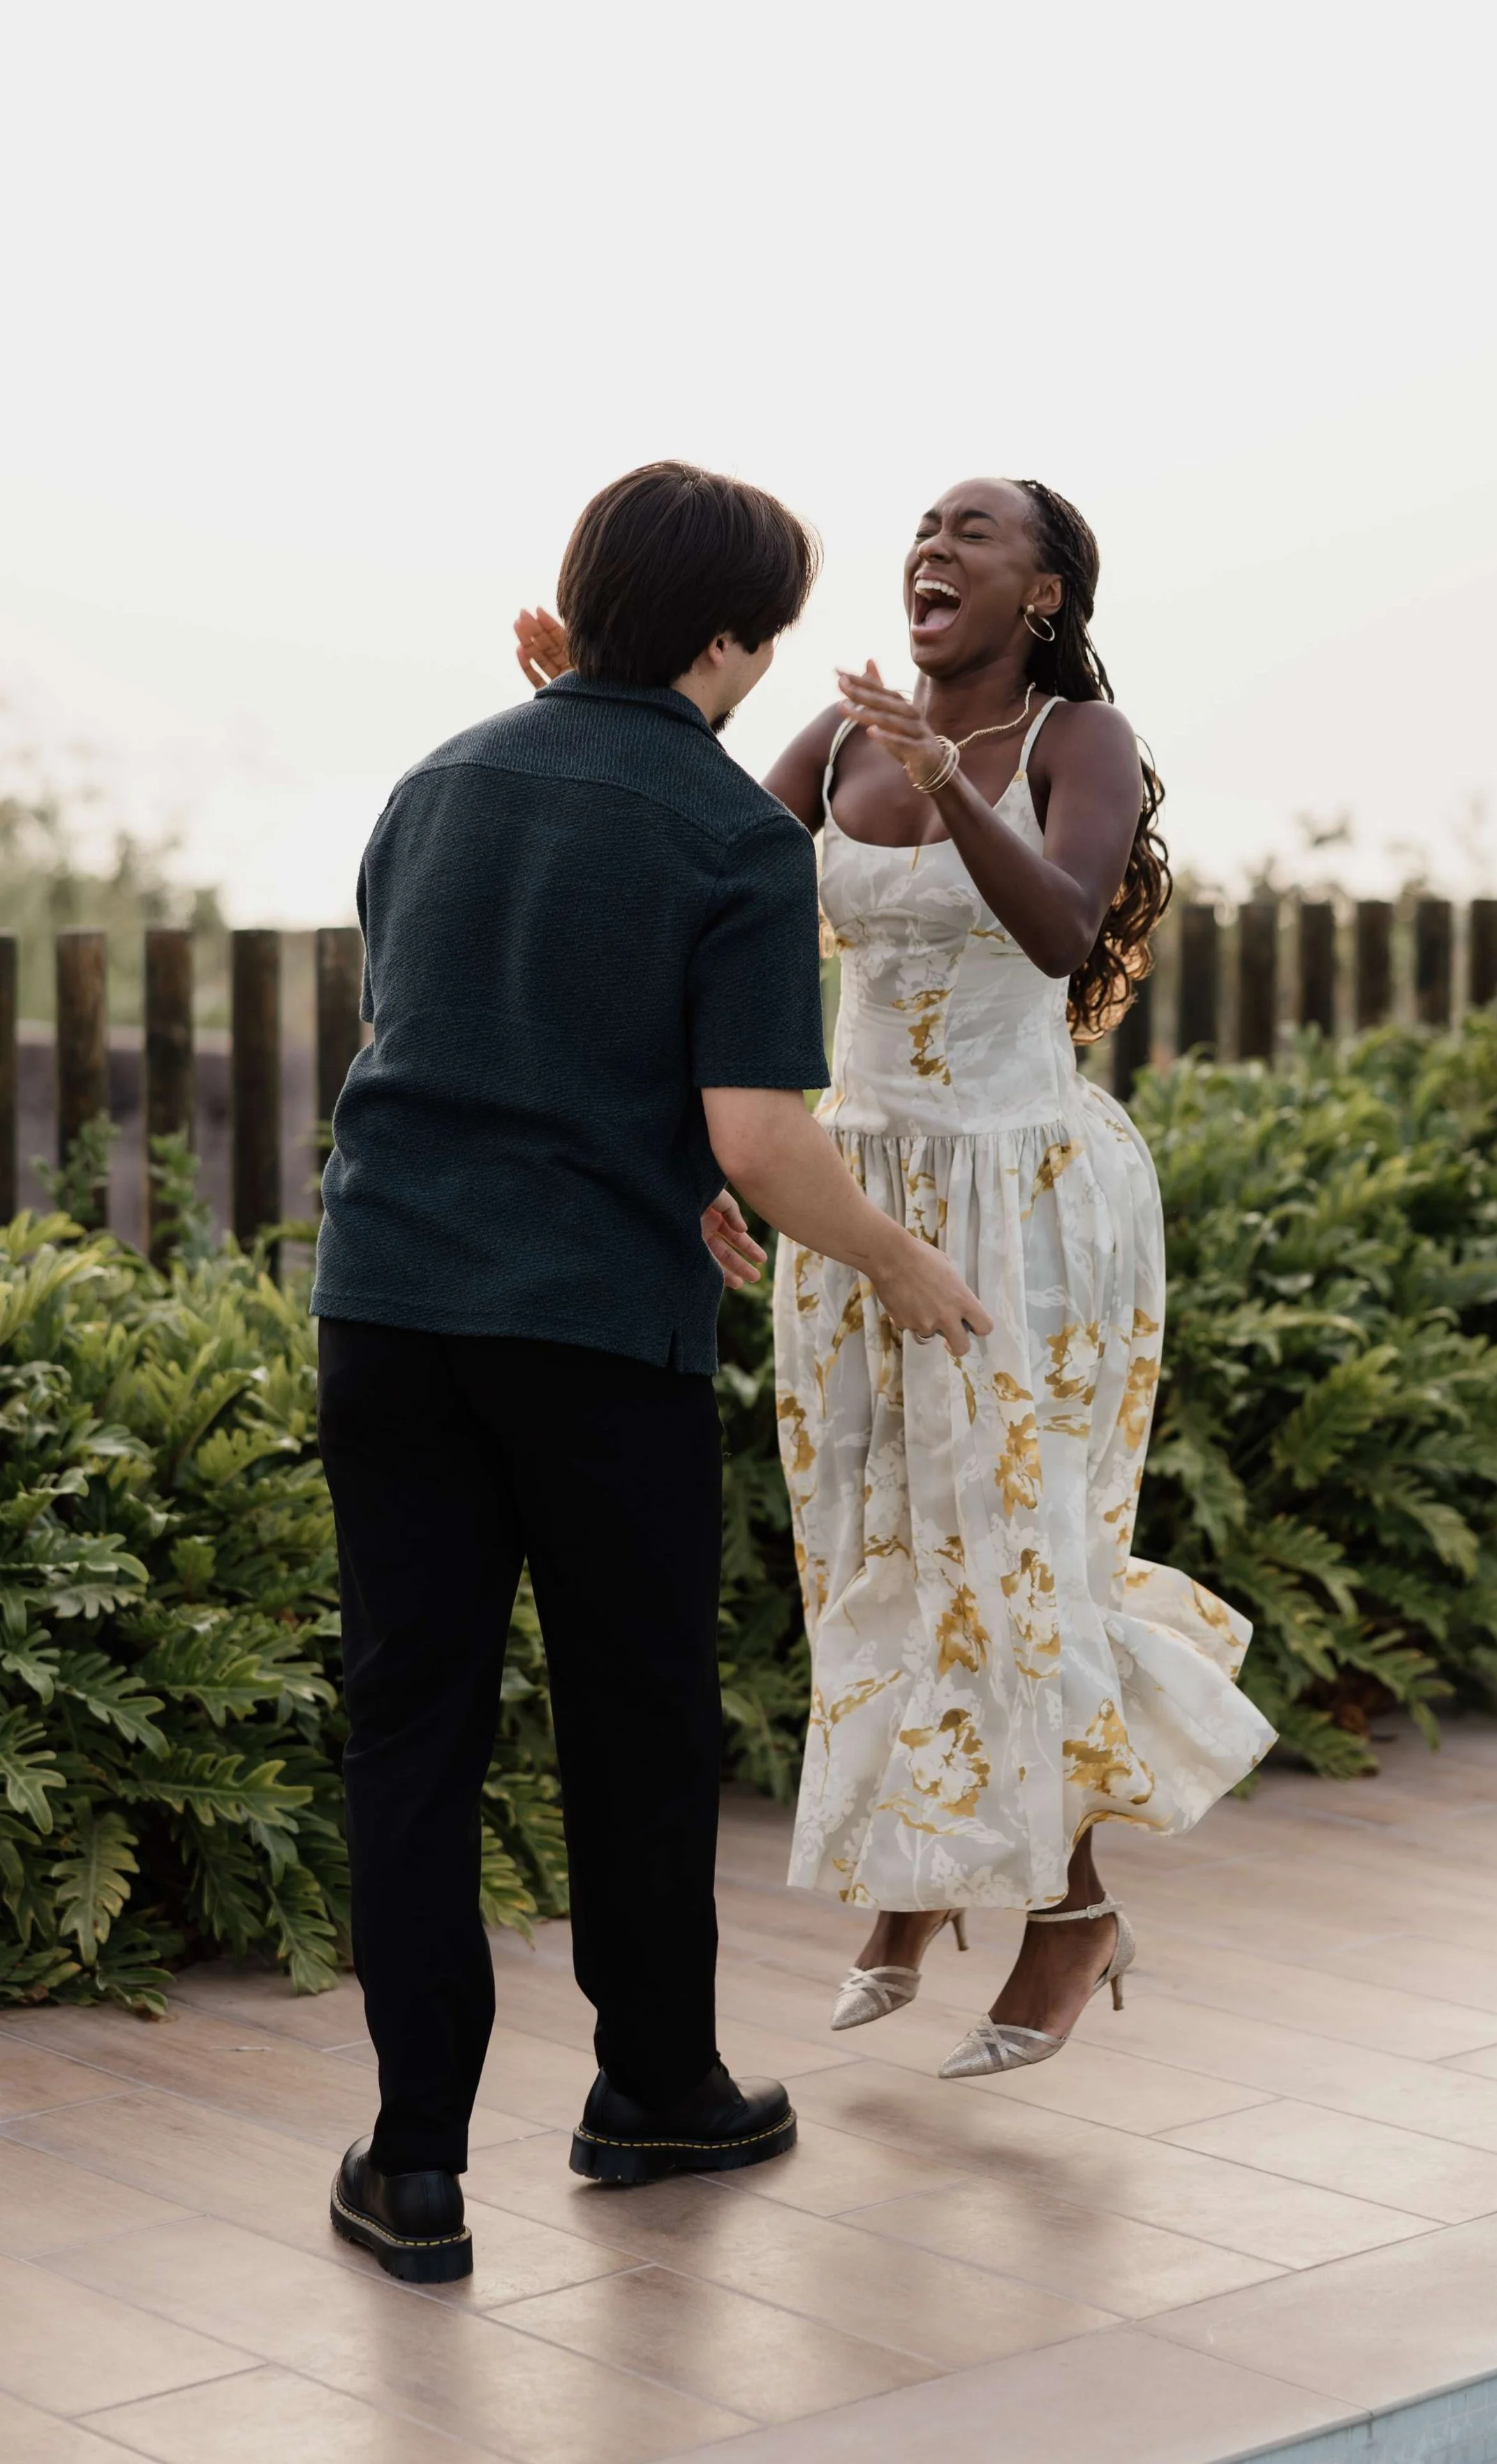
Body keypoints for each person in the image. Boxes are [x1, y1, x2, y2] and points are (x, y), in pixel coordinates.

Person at [316, 460, 989, 2285]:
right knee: (634, 1715)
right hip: (588, 1335)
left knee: (412, 1728)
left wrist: (666, 1161)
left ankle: (416, 2164)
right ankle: (653, 2087)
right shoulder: (728, 835)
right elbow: (761, 1131)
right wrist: (906, 1261)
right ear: (726, 637)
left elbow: (479, 1030)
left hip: (386, 1307)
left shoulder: (436, 780)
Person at [761, 478, 1276, 2074]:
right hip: (853, 1198)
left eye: (976, 529)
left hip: (1023, 1197)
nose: (936, 545)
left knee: (1011, 1552)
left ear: (1041, 592)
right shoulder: (838, 737)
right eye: (926, 524)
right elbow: (697, 858)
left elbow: (1058, 928)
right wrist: (589, 701)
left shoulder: (1075, 741)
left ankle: (1067, 1909)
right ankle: (920, 1880)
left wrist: (946, 780)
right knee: (869, 1549)